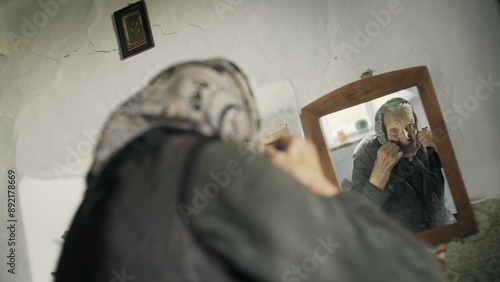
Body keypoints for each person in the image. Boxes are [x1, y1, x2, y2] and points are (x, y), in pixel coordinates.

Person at [55, 59, 444, 282]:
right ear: (229, 111)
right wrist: (316, 186)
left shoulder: (99, 205)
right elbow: (411, 274)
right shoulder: (212, 165)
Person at [350, 97, 457, 233]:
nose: (406, 137)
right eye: (394, 131)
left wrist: (442, 149)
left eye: (410, 126)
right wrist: (379, 174)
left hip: (446, 228)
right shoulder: (366, 159)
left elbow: (455, 172)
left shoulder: (425, 143)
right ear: (382, 133)